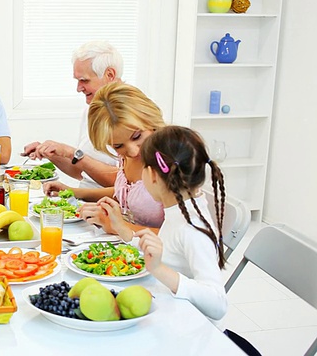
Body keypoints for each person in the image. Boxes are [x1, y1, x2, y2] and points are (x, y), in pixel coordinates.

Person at [100, 125, 228, 322]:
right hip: (172, 312)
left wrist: (159, 269)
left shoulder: (193, 228)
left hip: (191, 332)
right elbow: (170, 252)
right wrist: (125, 232)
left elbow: (218, 304)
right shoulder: (179, 208)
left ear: (151, 174)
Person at [46, 82, 166, 234]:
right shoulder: (128, 156)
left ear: (150, 119)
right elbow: (127, 194)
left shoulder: (171, 160)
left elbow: (179, 237)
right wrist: (74, 192)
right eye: (118, 146)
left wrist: (117, 227)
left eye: (137, 136)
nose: (133, 151)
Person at [23, 41, 121, 188]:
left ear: (110, 75)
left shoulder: (131, 115)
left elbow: (125, 184)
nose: (78, 88)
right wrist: (52, 152)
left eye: (84, 80)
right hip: (86, 201)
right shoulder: (91, 110)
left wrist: (71, 152)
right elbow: (82, 172)